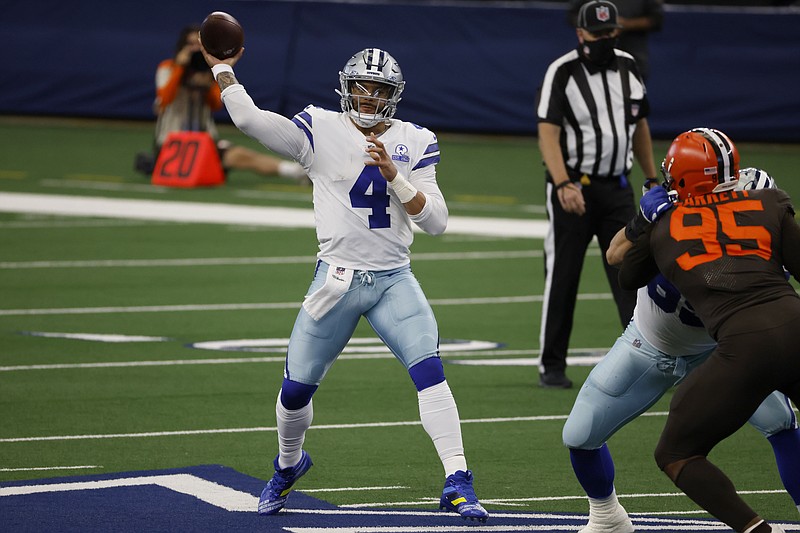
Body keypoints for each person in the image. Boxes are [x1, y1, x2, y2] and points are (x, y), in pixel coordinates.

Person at [198, 43, 488, 522]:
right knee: (295, 391)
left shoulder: (415, 140)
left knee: (430, 372)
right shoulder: (320, 127)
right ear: (346, 88)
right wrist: (222, 68)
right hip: (336, 280)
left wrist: (397, 177)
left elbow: (436, 223)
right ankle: (288, 465)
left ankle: (458, 479)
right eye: (362, 88)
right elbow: (248, 120)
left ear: (394, 96)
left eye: (380, 91)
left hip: (394, 279)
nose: (369, 98)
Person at [563, 162, 800, 533]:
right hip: (653, 344)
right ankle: (607, 515)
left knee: (781, 423)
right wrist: (642, 221)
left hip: (729, 350)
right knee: (580, 433)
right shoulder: (677, 220)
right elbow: (617, 258)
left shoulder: (765, 242)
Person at [535, 0, 658, 388]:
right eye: (597, 34)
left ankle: (646, 355)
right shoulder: (563, 71)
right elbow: (548, 132)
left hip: (617, 188)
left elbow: (639, 125)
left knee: (630, 272)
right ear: (580, 34)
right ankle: (551, 364)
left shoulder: (628, 66)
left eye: (610, 33)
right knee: (563, 275)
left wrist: (652, 176)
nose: (604, 40)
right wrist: (562, 183)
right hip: (574, 187)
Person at [135, 25, 307, 184]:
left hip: (203, 142)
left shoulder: (209, 72)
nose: (194, 50)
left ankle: (297, 172)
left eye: (198, 45)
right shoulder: (169, 67)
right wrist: (180, 68)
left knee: (240, 155)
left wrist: (206, 85)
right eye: (190, 44)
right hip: (171, 141)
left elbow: (216, 104)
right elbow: (164, 100)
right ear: (182, 46)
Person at [567, 0, 664, 81]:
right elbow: (572, 16)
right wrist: (596, 27)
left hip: (633, 58)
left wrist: (626, 24)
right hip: (591, 62)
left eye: (609, 32)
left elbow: (656, 20)